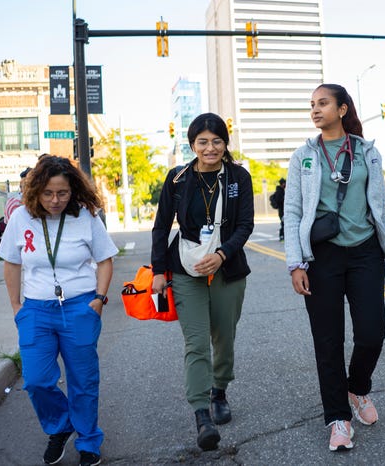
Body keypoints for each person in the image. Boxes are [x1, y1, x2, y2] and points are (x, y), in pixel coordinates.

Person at [283, 84, 385, 452]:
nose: (315, 110)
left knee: (373, 332)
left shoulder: (367, 153)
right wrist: (296, 263)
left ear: (342, 109)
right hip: (321, 255)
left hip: (365, 252)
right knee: (328, 341)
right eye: (311, 105)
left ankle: (358, 387)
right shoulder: (303, 156)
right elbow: (292, 212)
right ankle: (338, 418)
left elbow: (382, 209)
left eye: (323, 103)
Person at [0, 155, 118, 466]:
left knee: (83, 379)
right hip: (36, 310)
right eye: (48, 193)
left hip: (80, 306)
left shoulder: (86, 216)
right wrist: (16, 306)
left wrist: (99, 300)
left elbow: (105, 260)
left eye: (62, 193)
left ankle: (89, 440)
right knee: (36, 379)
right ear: (36, 190)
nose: (55, 200)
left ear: (72, 190)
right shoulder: (22, 218)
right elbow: (12, 263)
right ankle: (60, 426)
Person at [151, 112, 254, 451]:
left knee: (224, 337)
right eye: (203, 142)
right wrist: (157, 272)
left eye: (217, 141)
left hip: (227, 265)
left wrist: (223, 254)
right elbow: (162, 226)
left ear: (225, 143)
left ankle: (219, 390)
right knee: (196, 343)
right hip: (185, 268)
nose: (210, 148)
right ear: (192, 144)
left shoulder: (239, 176)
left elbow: (245, 225)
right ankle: (202, 415)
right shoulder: (178, 179)